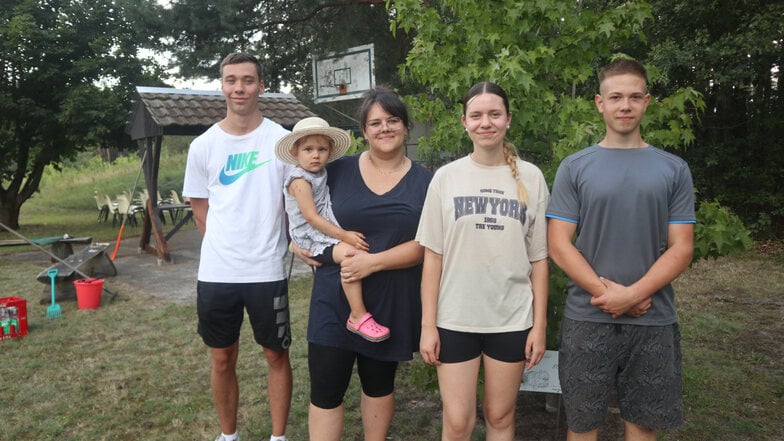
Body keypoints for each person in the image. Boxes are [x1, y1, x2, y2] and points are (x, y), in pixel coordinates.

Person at [546, 58, 696, 441]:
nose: (624, 105)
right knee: (581, 425)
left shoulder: (673, 169)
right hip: (588, 316)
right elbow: (559, 244)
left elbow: (681, 248)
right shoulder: (575, 167)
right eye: (616, 97)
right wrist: (608, 295)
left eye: (633, 97)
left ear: (647, 102)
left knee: (643, 426)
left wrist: (632, 295)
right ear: (600, 103)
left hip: (652, 320)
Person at [292, 87, 432, 441]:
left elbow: (429, 245)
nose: (384, 129)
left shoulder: (426, 181)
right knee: (325, 390)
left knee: (379, 386)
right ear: (363, 131)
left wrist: (374, 263)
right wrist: (293, 241)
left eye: (393, 120)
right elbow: (298, 209)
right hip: (333, 299)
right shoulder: (334, 170)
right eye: (375, 123)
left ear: (405, 126)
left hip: (390, 299)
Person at [416, 81, 550, 441]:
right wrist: (428, 325)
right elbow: (432, 257)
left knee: (500, 416)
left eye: (494, 114)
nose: (485, 122)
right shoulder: (445, 178)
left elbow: (539, 260)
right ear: (464, 122)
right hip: (455, 317)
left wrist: (539, 326)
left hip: (511, 318)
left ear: (508, 119)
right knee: (457, 422)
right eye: (476, 115)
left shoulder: (532, 177)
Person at [182, 52, 292, 441]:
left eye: (247, 80)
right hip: (217, 273)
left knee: (276, 355)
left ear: (261, 86)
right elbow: (200, 212)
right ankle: (229, 436)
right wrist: (229, 245)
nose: (239, 87)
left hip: (266, 271)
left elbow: (296, 201)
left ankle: (277, 437)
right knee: (222, 357)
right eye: (231, 80)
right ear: (222, 86)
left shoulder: (282, 141)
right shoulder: (203, 146)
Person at [275, 116, 390, 342]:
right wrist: (344, 235)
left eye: (322, 149)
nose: (315, 155)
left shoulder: (320, 172)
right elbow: (311, 216)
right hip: (310, 235)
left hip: (322, 229)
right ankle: (357, 315)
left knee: (353, 254)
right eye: (308, 149)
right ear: (295, 152)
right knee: (351, 255)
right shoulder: (300, 180)